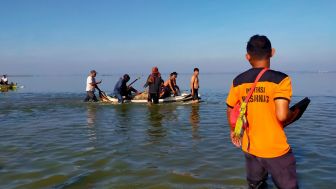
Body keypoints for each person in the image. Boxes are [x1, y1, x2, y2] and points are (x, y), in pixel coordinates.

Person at [226, 35, 300, 189]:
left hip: (250, 147)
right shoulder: (281, 80)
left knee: (256, 185)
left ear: (247, 57)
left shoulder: (238, 81)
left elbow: (231, 108)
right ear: (272, 52)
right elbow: (282, 115)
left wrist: (234, 130)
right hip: (275, 149)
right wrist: (295, 113)